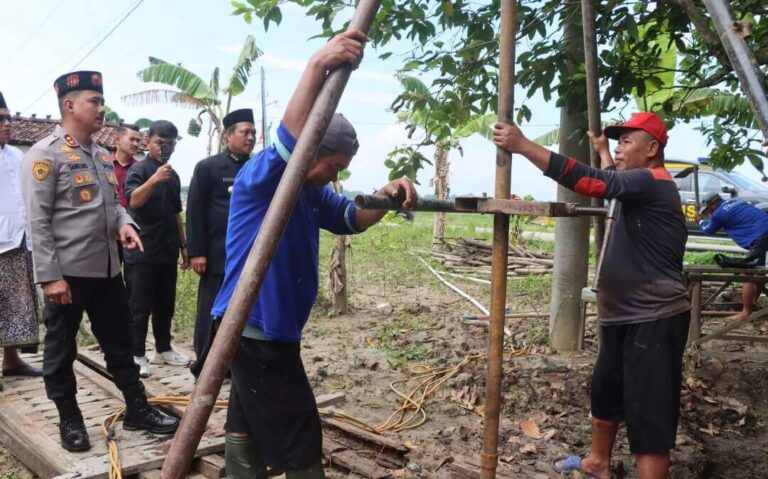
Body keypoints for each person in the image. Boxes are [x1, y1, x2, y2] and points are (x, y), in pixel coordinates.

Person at [212, 30, 416, 479]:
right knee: (301, 430)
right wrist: (316, 65)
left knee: (246, 414)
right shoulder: (264, 178)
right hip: (254, 325)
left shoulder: (312, 192)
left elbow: (350, 219)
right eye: (334, 165)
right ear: (312, 151)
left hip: (271, 326)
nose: (334, 176)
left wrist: (385, 196)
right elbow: (290, 135)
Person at [493, 111, 690, 479]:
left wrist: (522, 146)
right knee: (606, 391)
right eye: (616, 142)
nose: (618, 148)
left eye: (626, 142)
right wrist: (602, 150)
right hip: (622, 316)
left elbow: (594, 182)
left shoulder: (654, 182)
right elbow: (612, 180)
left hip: (654, 318)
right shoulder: (636, 185)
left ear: (652, 149)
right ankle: (598, 463)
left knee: (649, 417)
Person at [22, 71, 178, 452]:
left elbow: (114, 206)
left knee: (120, 343)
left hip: (107, 269)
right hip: (68, 276)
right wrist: (49, 277)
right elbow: (37, 221)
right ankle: (70, 418)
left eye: (101, 101)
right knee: (61, 350)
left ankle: (137, 408)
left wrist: (124, 224)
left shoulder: (101, 155)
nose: (100, 108)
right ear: (70, 105)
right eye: (94, 101)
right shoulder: (45, 155)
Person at [186, 108, 255, 377]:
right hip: (216, 254)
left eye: (253, 132)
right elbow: (194, 210)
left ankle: (234, 364)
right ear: (228, 135)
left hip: (249, 254)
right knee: (211, 311)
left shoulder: (256, 167)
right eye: (244, 132)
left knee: (244, 310)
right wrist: (197, 252)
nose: (250, 137)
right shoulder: (208, 167)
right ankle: (204, 365)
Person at [124, 120, 190, 378]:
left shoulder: (173, 176)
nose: (165, 148)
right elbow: (133, 200)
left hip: (167, 249)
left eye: (170, 144)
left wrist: (184, 246)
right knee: (138, 307)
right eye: (160, 143)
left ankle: (163, 349)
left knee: (165, 304)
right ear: (148, 142)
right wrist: (154, 179)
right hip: (141, 250)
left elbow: (176, 213)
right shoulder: (139, 170)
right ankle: (137, 354)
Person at [0, 92, 43, 386]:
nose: (7, 124)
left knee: (16, 306)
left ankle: (11, 360)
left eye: (8, 118)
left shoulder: (16, 154)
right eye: (0, 119)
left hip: (18, 241)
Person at [696, 191, 768, 320]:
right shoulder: (736, 201)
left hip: (760, 236)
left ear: (713, 204)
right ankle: (753, 304)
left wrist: (700, 221)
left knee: (748, 273)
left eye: (708, 209)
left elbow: (709, 230)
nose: (709, 212)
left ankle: (746, 312)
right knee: (759, 271)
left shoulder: (719, 214)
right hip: (764, 229)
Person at [113, 124, 140, 264]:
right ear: (117, 140)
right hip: (108, 236)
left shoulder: (141, 170)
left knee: (133, 281)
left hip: (133, 233)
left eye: (138, 141)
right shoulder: (103, 166)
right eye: (132, 139)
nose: (135, 144)